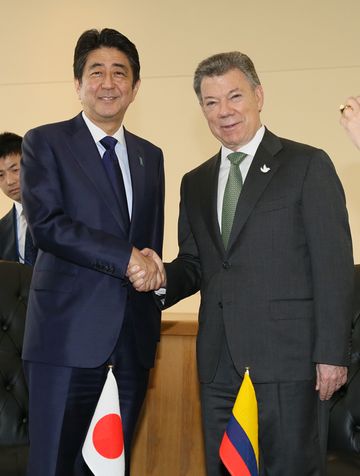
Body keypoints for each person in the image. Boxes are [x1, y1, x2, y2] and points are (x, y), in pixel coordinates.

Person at [128, 52, 354, 475]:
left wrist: (331, 354)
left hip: (289, 364)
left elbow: (335, 266)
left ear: (259, 95)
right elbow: (196, 264)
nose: (224, 111)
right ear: (202, 110)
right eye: (211, 102)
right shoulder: (194, 182)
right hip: (218, 367)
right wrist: (159, 277)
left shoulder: (307, 165)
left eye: (234, 96)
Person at [21, 28, 165, 476]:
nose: (108, 83)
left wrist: (154, 268)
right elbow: (47, 225)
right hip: (65, 341)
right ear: (78, 84)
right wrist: (125, 258)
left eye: (119, 73)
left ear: (135, 86)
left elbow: (148, 242)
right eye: (95, 72)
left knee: (109, 468)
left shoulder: (150, 156)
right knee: (55, 466)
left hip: (132, 344)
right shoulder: (44, 142)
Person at [0, 132, 37, 265]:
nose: (9, 181)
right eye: (0, 175)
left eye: (15, 170)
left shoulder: (64, 208)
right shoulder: (2, 230)